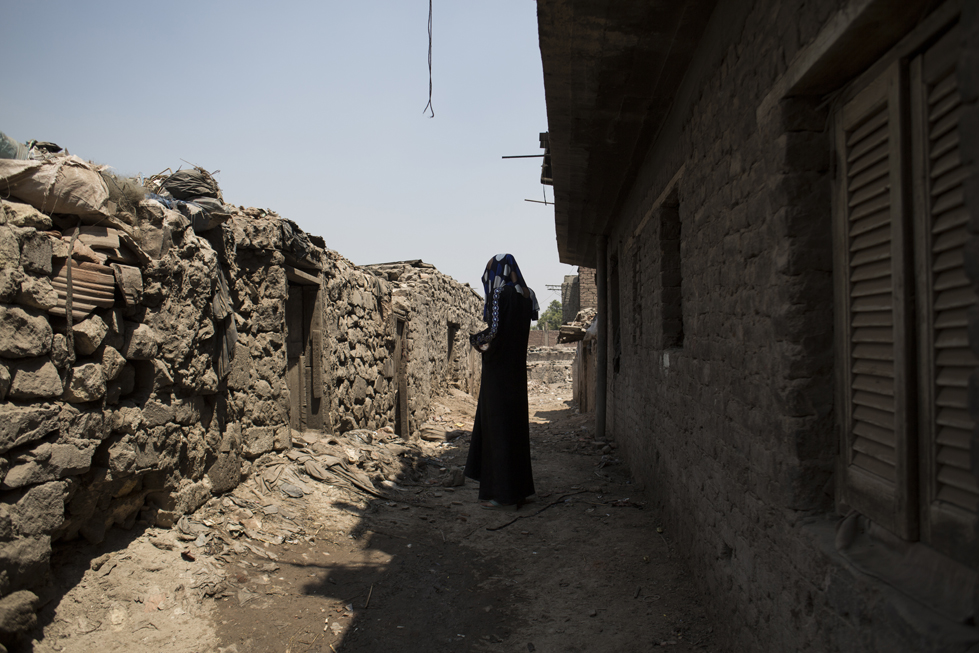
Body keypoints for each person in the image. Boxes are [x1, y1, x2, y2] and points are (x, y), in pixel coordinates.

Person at [464, 253, 539, 510]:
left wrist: (475, 340)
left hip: (497, 373)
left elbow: (494, 332)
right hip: (516, 374)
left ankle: (500, 493)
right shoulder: (528, 296)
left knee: (496, 430)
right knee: (515, 430)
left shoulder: (500, 294)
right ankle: (519, 490)